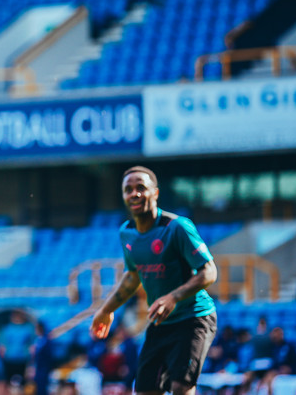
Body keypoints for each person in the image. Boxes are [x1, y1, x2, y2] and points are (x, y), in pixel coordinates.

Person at [90, 166, 217, 395]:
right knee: (145, 390)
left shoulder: (177, 227)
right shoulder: (126, 233)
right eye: (128, 190)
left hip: (194, 317)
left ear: (155, 193)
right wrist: (106, 310)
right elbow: (133, 276)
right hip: (161, 323)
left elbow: (209, 271)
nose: (134, 194)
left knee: (181, 387)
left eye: (141, 188)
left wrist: (173, 297)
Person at [0, 310, 34, 386]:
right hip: (10, 359)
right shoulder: (7, 329)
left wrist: (31, 362)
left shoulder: (28, 328)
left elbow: (32, 345)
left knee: (23, 383)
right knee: (9, 382)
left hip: (23, 359)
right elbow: (2, 345)